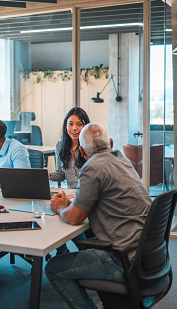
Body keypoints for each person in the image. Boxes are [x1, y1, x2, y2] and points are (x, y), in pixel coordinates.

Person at [46, 123, 152, 309]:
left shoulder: (92, 167)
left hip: (123, 259)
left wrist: (61, 208)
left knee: (54, 268)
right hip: (148, 255)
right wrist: (73, 205)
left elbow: (74, 218)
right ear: (110, 142)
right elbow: (101, 200)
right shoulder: (121, 159)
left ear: (81, 150)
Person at [49, 107, 91, 189]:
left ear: (86, 126)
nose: (74, 128)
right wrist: (45, 176)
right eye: (70, 124)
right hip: (70, 194)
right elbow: (60, 174)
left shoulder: (91, 146)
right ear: (66, 126)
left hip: (88, 193)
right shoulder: (59, 146)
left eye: (79, 124)